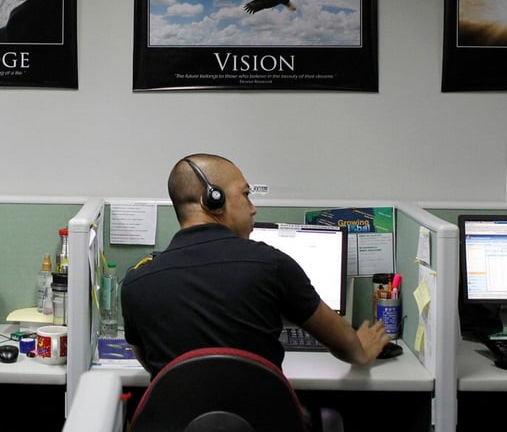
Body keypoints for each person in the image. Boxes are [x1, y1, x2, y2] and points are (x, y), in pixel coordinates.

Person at [120, 153, 392, 376]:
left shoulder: (135, 284)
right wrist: (362, 350)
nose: (253, 208)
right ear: (213, 200)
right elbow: (343, 342)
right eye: (246, 195)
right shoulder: (272, 265)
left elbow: (153, 369)